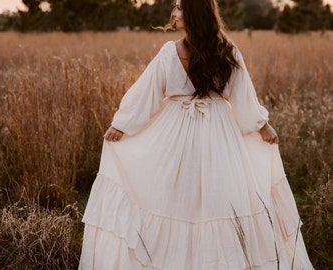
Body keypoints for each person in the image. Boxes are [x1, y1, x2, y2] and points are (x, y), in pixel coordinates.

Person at [79, 0, 314, 269]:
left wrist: (263, 126)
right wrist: (122, 124)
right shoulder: (205, 51)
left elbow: (242, 96)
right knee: (182, 196)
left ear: (194, 14)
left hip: (201, 132)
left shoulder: (222, 53)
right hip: (201, 131)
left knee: (216, 197)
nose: (174, 12)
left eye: (179, 7)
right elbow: (149, 91)